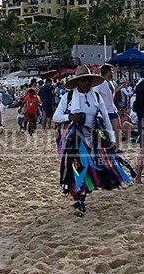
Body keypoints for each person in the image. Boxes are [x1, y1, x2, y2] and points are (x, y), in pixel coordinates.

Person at [53, 66, 129, 216]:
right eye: (83, 80)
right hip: (75, 138)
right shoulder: (67, 97)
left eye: (88, 79)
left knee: (93, 167)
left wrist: (112, 139)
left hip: (93, 138)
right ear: (77, 82)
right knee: (78, 166)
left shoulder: (97, 97)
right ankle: (79, 200)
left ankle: (82, 197)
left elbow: (106, 118)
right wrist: (71, 117)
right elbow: (56, 116)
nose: (86, 82)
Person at [92, 64, 122, 149]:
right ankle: (109, 145)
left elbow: (111, 94)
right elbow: (95, 95)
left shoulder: (111, 82)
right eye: (111, 71)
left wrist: (119, 88)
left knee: (117, 128)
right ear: (107, 72)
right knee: (106, 130)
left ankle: (117, 146)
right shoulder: (100, 83)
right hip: (104, 110)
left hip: (112, 108)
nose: (113, 73)